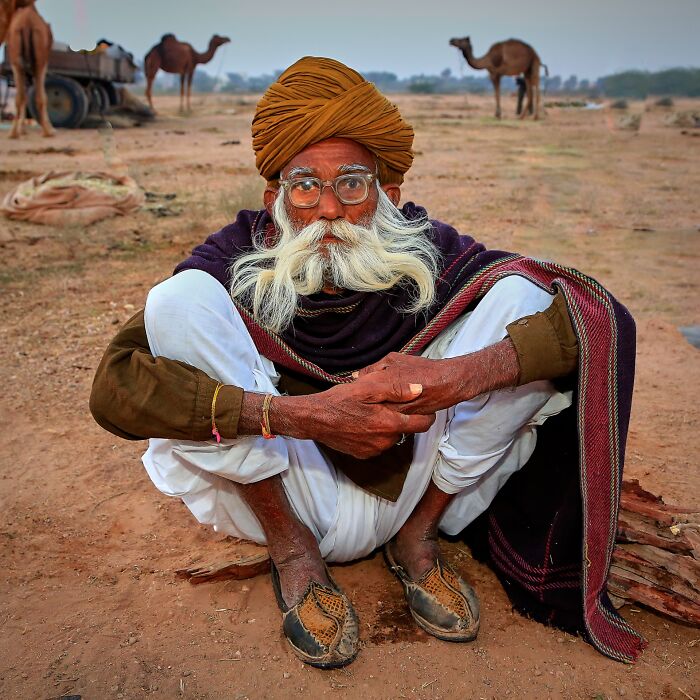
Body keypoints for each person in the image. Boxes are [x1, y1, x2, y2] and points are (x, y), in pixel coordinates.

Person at [90, 56, 645, 669]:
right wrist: (302, 417)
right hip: (288, 486)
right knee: (179, 300)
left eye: (352, 183)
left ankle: (418, 540)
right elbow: (116, 387)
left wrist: (454, 377)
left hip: (423, 478)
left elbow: (589, 319)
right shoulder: (237, 256)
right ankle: (295, 556)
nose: (329, 209)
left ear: (388, 196)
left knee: (525, 295)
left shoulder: (423, 245)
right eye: (305, 185)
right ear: (277, 200)